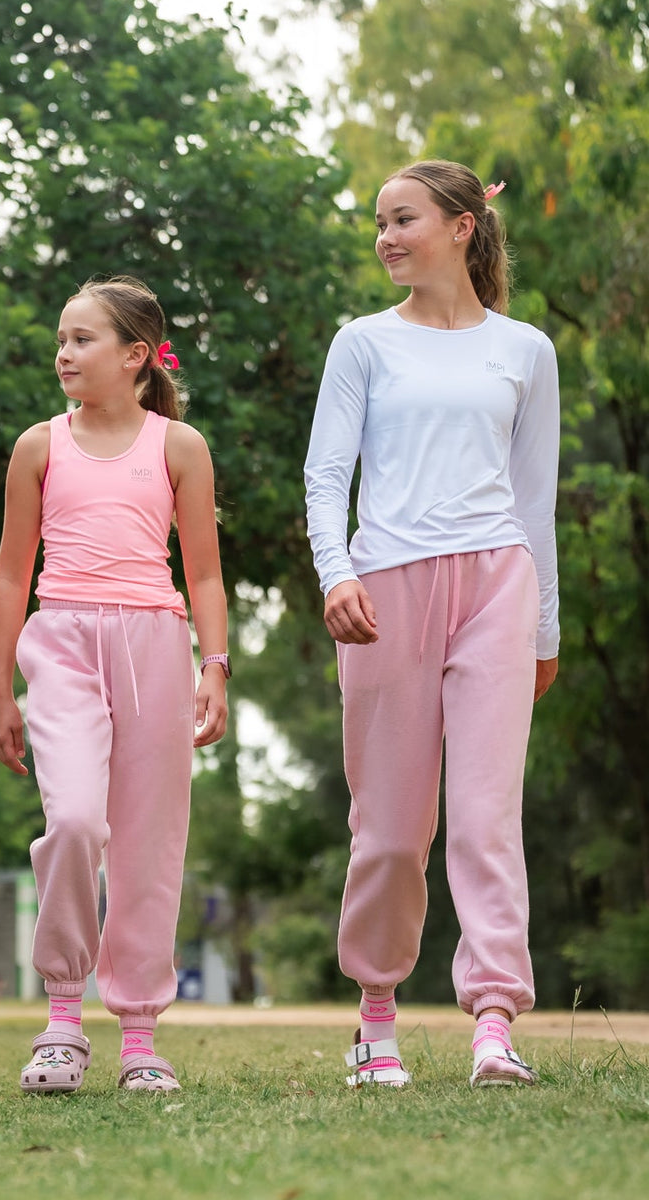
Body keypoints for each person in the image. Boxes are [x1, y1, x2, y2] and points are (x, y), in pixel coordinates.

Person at [303, 161, 560, 1089]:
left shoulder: (526, 349)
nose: (385, 236)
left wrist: (545, 631)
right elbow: (327, 475)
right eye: (378, 221)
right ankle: (376, 1019)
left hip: (501, 583)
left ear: (461, 226)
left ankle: (494, 1022)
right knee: (390, 826)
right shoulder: (362, 343)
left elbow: (536, 499)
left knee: (488, 817)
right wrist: (336, 572)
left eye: (402, 219)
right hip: (384, 590)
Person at [0, 275, 229, 1094]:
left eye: (82, 339)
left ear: (135, 355)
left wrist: (216, 668)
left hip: (155, 643)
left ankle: (137, 1037)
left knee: (150, 845)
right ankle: (62, 1017)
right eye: (60, 338)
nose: (63, 352)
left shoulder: (178, 447)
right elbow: (10, 576)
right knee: (78, 822)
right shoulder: (37, 446)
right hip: (60, 641)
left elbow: (203, 574)